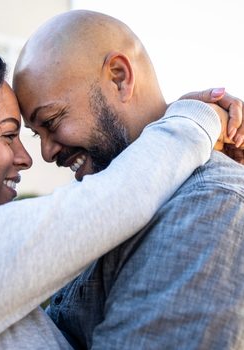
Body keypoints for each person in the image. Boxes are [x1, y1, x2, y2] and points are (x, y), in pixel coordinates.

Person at [13, 10, 244, 349]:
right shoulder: (113, 201)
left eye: (51, 120)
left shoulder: (207, 204)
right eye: (36, 135)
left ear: (119, 77)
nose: (46, 153)